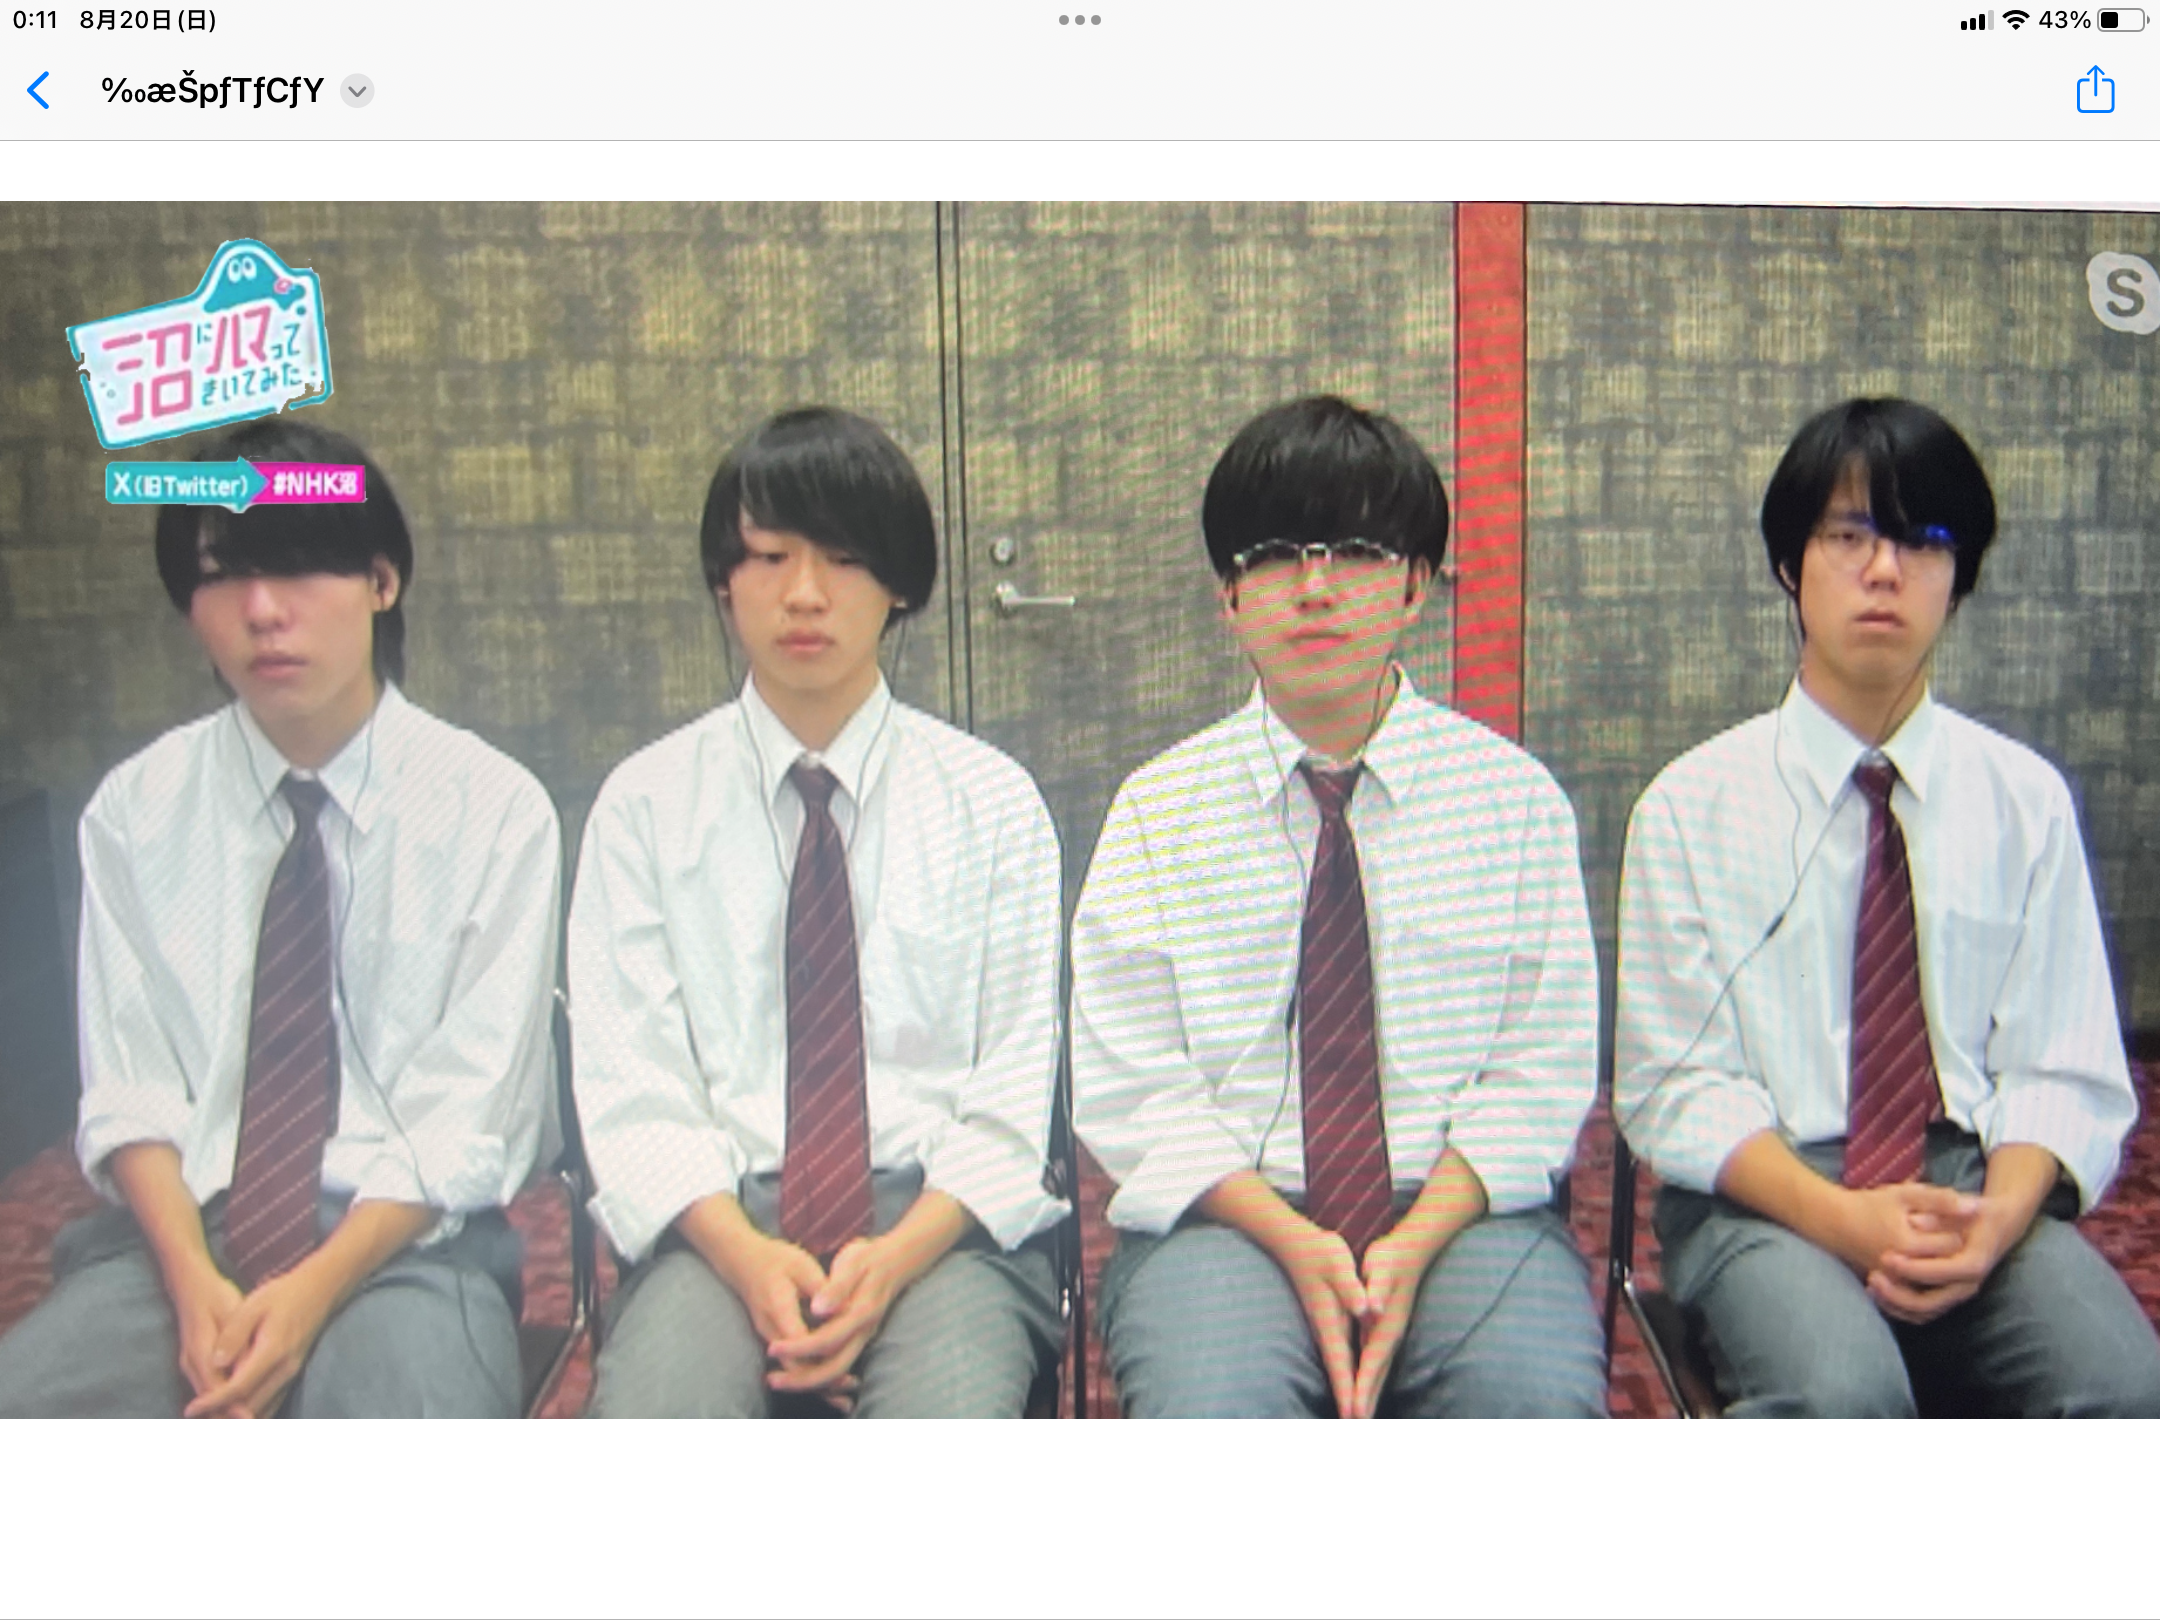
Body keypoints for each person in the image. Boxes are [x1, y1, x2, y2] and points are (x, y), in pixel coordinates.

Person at [0, 419, 560, 1419]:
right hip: (180, 1243)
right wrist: (192, 1284)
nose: (261, 612)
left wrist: (307, 1296)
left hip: (409, 1243)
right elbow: (131, 1092)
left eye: (296, 566)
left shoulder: (494, 809)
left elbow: (469, 1118)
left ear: (381, 579)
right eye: (222, 577)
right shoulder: (136, 811)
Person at [1615, 396, 2160, 1417]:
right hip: (1765, 1190)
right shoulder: (1690, 806)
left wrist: (1996, 1223)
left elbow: (2062, 1063)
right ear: (1791, 564)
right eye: (1849, 535)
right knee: (1845, 1401)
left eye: (1923, 540)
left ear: (1961, 577)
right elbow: (1675, 1088)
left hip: (1968, 1178)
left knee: (2126, 1391)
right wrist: (1845, 1221)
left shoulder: (2024, 799)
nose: (1883, 570)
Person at [1071, 395, 1606, 1418]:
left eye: (1356, 553)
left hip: (1462, 1213)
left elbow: (1539, 1070)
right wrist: (1288, 1235)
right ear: (1230, 598)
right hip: (1227, 1218)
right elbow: (1133, 1087)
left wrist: (1417, 1236)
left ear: (1415, 586)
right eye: (1274, 556)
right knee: (1212, 1414)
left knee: (1531, 1399)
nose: (1314, 589)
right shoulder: (1155, 812)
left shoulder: (1513, 802)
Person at [570, 406, 1065, 1418]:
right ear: (723, 579)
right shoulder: (643, 807)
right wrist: (745, 1257)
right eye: (768, 557)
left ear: (900, 583)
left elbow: (1014, 1088)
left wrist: (895, 1258)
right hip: (716, 1224)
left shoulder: (993, 803)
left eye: (843, 558)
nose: (803, 593)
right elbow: (635, 1090)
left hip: (941, 1227)